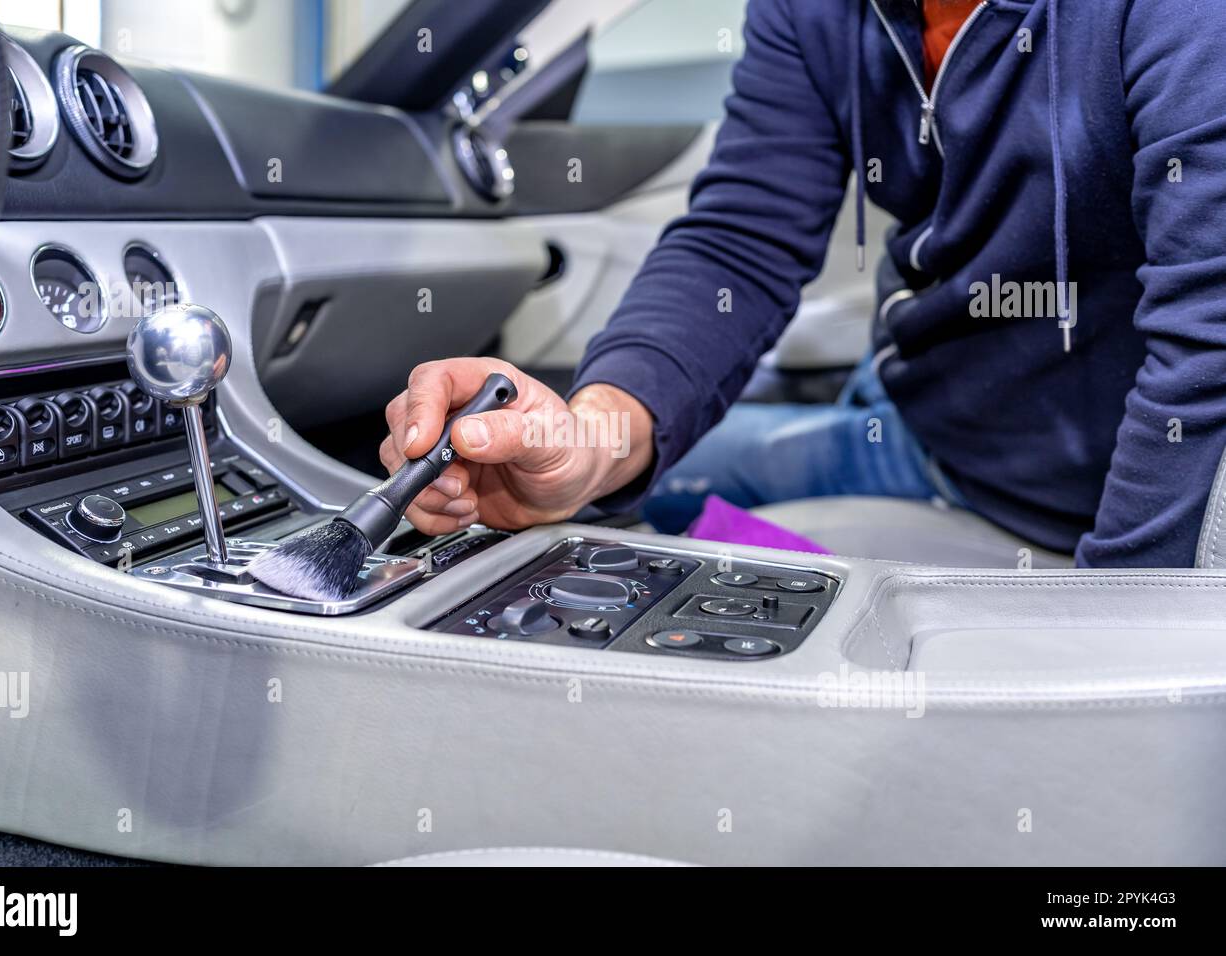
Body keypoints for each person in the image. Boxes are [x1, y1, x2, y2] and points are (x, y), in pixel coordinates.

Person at [378, 0, 1226, 569]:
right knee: (618, 497)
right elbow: (741, 242)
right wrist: (589, 439)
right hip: (916, 406)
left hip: (1053, 489)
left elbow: (1206, 340)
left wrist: (1113, 623)